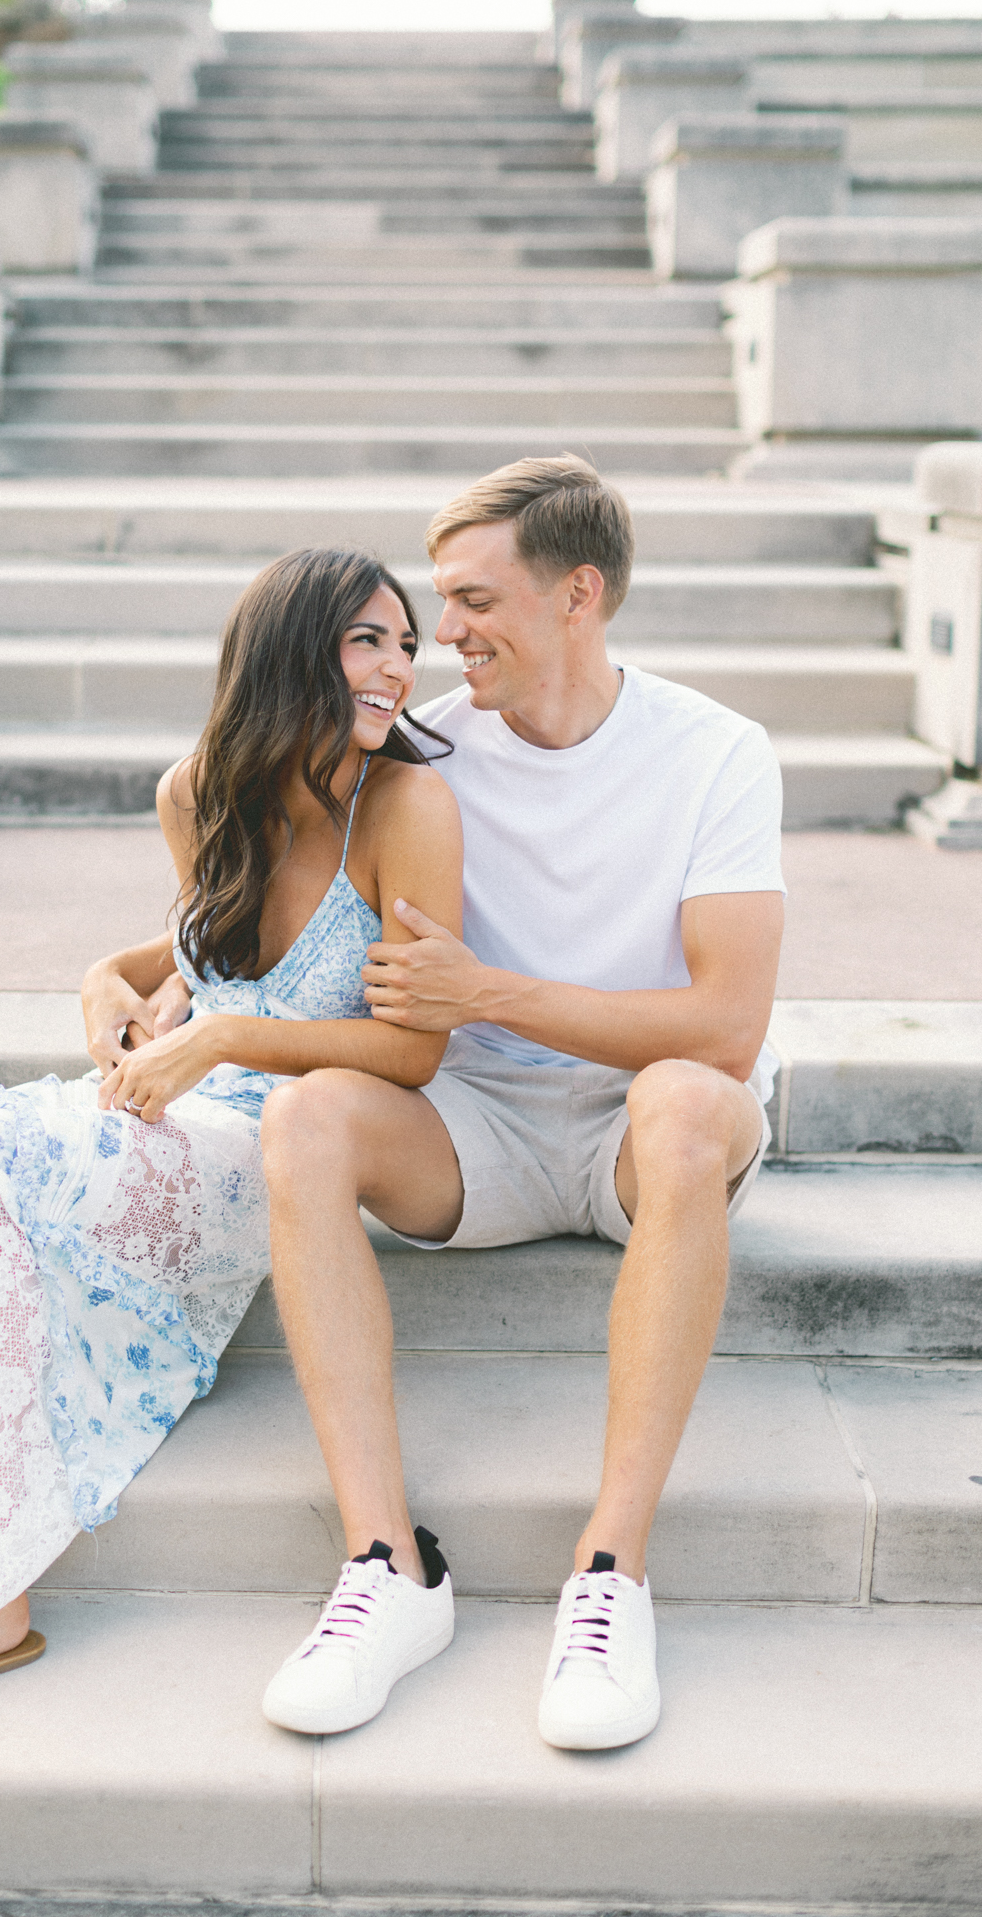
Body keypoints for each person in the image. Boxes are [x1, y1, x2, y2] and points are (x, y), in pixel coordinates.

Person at [0, 546, 463, 1719]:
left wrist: (215, 1042)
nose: (399, 668)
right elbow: (200, 948)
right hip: (157, 1106)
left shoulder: (408, 805)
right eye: (366, 640)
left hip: (275, 1139)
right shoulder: (194, 791)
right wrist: (109, 981)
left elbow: (413, 1053)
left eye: (406, 642)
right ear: (288, 652)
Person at [253, 455, 786, 1750]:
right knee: (306, 1117)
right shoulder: (418, 750)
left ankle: (609, 1576)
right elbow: (277, 908)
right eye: (441, 601)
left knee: (683, 1101)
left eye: (474, 599)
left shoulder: (716, 752)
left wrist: (484, 992)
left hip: (639, 1140)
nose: (445, 633)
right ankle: (388, 1570)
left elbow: (725, 1025)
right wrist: (132, 974)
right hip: (473, 1135)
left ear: (578, 595)